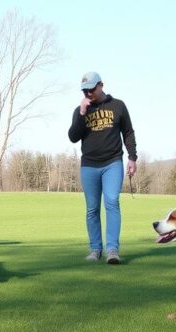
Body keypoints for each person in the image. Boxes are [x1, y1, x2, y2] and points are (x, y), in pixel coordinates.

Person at [68, 71, 137, 265]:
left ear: (101, 85)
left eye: (91, 89)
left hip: (112, 162)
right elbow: (73, 137)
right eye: (84, 90)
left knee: (112, 202)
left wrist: (132, 157)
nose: (88, 93)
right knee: (92, 209)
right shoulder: (80, 110)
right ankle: (95, 249)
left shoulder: (118, 106)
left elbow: (128, 132)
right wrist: (82, 114)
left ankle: (112, 249)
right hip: (89, 165)